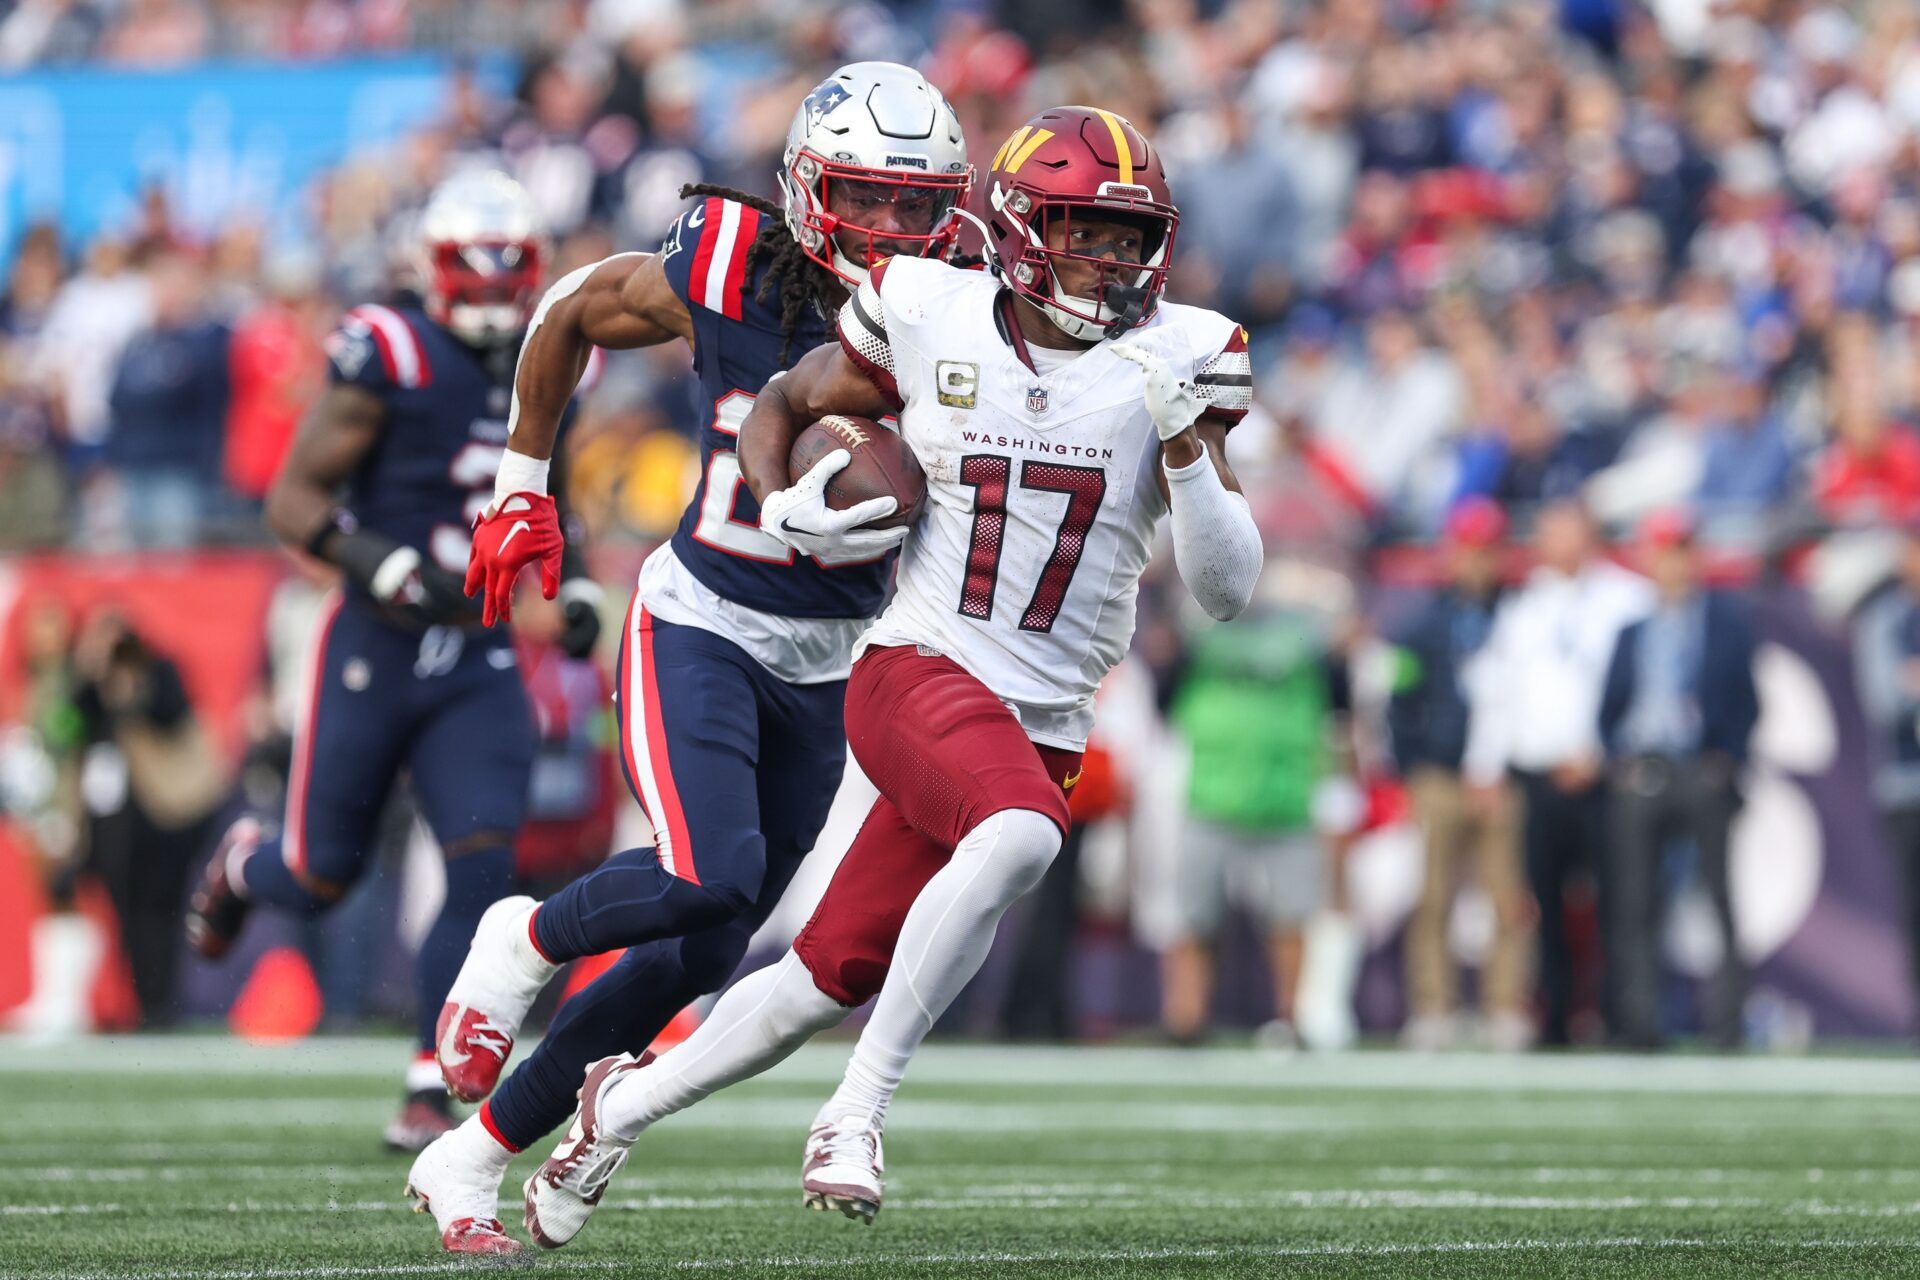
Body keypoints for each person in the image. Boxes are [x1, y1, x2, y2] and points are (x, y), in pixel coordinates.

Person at [513, 105, 1263, 1246]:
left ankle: (615, 1107)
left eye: (1130, 235)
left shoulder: (1186, 352)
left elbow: (1226, 589)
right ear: (1017, 229)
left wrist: (1188, 461)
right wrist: (781, 499)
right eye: (1085, 231)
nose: (1113, 260)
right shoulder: (929, 307)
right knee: (1021, 837)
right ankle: (855, 1111)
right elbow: (786, 398)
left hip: (1042, 718)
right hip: (917, 663)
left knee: (823, 973)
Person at [403, 64, 974, 1255]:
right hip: (701, 620)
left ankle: (472, 1150)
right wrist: (523, 483)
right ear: (812, 190)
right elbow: (567, 310)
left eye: (923, 205)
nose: (901, 232)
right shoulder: (730, 262)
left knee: (703, 949)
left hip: (828, 657)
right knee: (710, 872)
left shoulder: (961, 306)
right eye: (873, 199)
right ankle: (523, 935)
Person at [182, 170, 602, 1154]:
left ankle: (428, 1080)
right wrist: (384, 562)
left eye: (514, 272)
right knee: (321, 873)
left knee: (483, 867)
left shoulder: (553, 355)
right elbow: (291, 499)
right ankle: (245, 867)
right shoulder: (390, 347)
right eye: (477, 269)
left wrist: (572, 590)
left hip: (482, 653)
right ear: (435, 266)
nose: (499, 293)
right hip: (375, 640)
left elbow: (554, 506)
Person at [1463, 498, 1652, 1046]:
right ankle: (1555, 1015)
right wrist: (1485, 766)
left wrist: (1598, 753)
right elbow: (1497, 694)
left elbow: (1641, 691)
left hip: (1606, 775)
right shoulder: (1524, 607)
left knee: (1620, 901)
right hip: (1539, 774)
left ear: (1590, 536)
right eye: (1549, 533)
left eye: (1567, 532)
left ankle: (1622, 1016)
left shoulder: (1627, 599)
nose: (1556, 544)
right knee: (1540, 903)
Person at [1598, 509, 1758, 1049]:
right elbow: (1610, 706)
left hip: (1700, 767)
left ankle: (1727, 1025)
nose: (1672, 562)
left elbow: (1747, 702)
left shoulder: (1726, 624)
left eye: (1681, 549)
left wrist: (1726, 760)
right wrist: (1617, 761)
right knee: (1638, 902)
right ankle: (1642, 1022)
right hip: (1645, 768)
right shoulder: (1633, 629)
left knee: (1719, 900)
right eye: (1663, 550)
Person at [1389, 498, 1532, 1051]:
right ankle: (1432, 1006)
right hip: (1441, 776)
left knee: (1508, 899)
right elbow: (1400, 700)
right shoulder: (1422, 624)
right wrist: (1412, 771)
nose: (1477, 562)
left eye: (1486, 550)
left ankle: (1504, 1006)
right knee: (1432, 896)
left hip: (1502, 778)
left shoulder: (1521, 615)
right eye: (1469, 550)